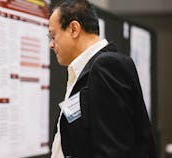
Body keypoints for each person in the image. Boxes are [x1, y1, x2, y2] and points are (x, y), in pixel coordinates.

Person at [48, 0, 157, 157]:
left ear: (74, 29)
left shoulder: (106, 66)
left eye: (53, 35)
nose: (51, 44)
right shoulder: (86, 70)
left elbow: (115, 152)